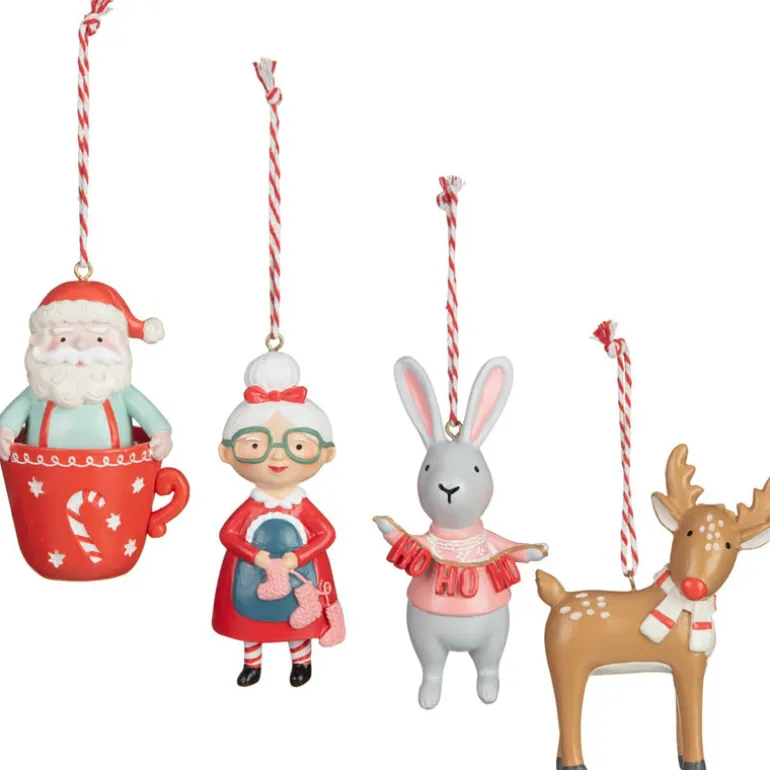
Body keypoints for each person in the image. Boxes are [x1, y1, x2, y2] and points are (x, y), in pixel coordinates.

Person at [212, 351, 342, 688]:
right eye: (256, 445)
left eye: (298, 446)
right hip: (251, 575)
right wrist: (255, 556)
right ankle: (252, 663)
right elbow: (228, 534)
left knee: (298, 617)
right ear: (227, 453)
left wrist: (297, 557)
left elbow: (327, 534)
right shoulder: (253, 507)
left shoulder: (302, 507)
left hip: (300, 575)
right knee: (250, 619)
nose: (278, 454)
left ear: (325, 454)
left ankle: (301, 661)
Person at [0, 281, 172, 460]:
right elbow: (9, 420)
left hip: (113, 473)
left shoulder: (120, 390)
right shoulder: (38, 391)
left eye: (98, 339)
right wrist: (5, 432)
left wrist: (161, 434)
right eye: (63, 338)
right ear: (39, 342)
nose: (80, 345)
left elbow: (152, 419)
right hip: (43, 473)